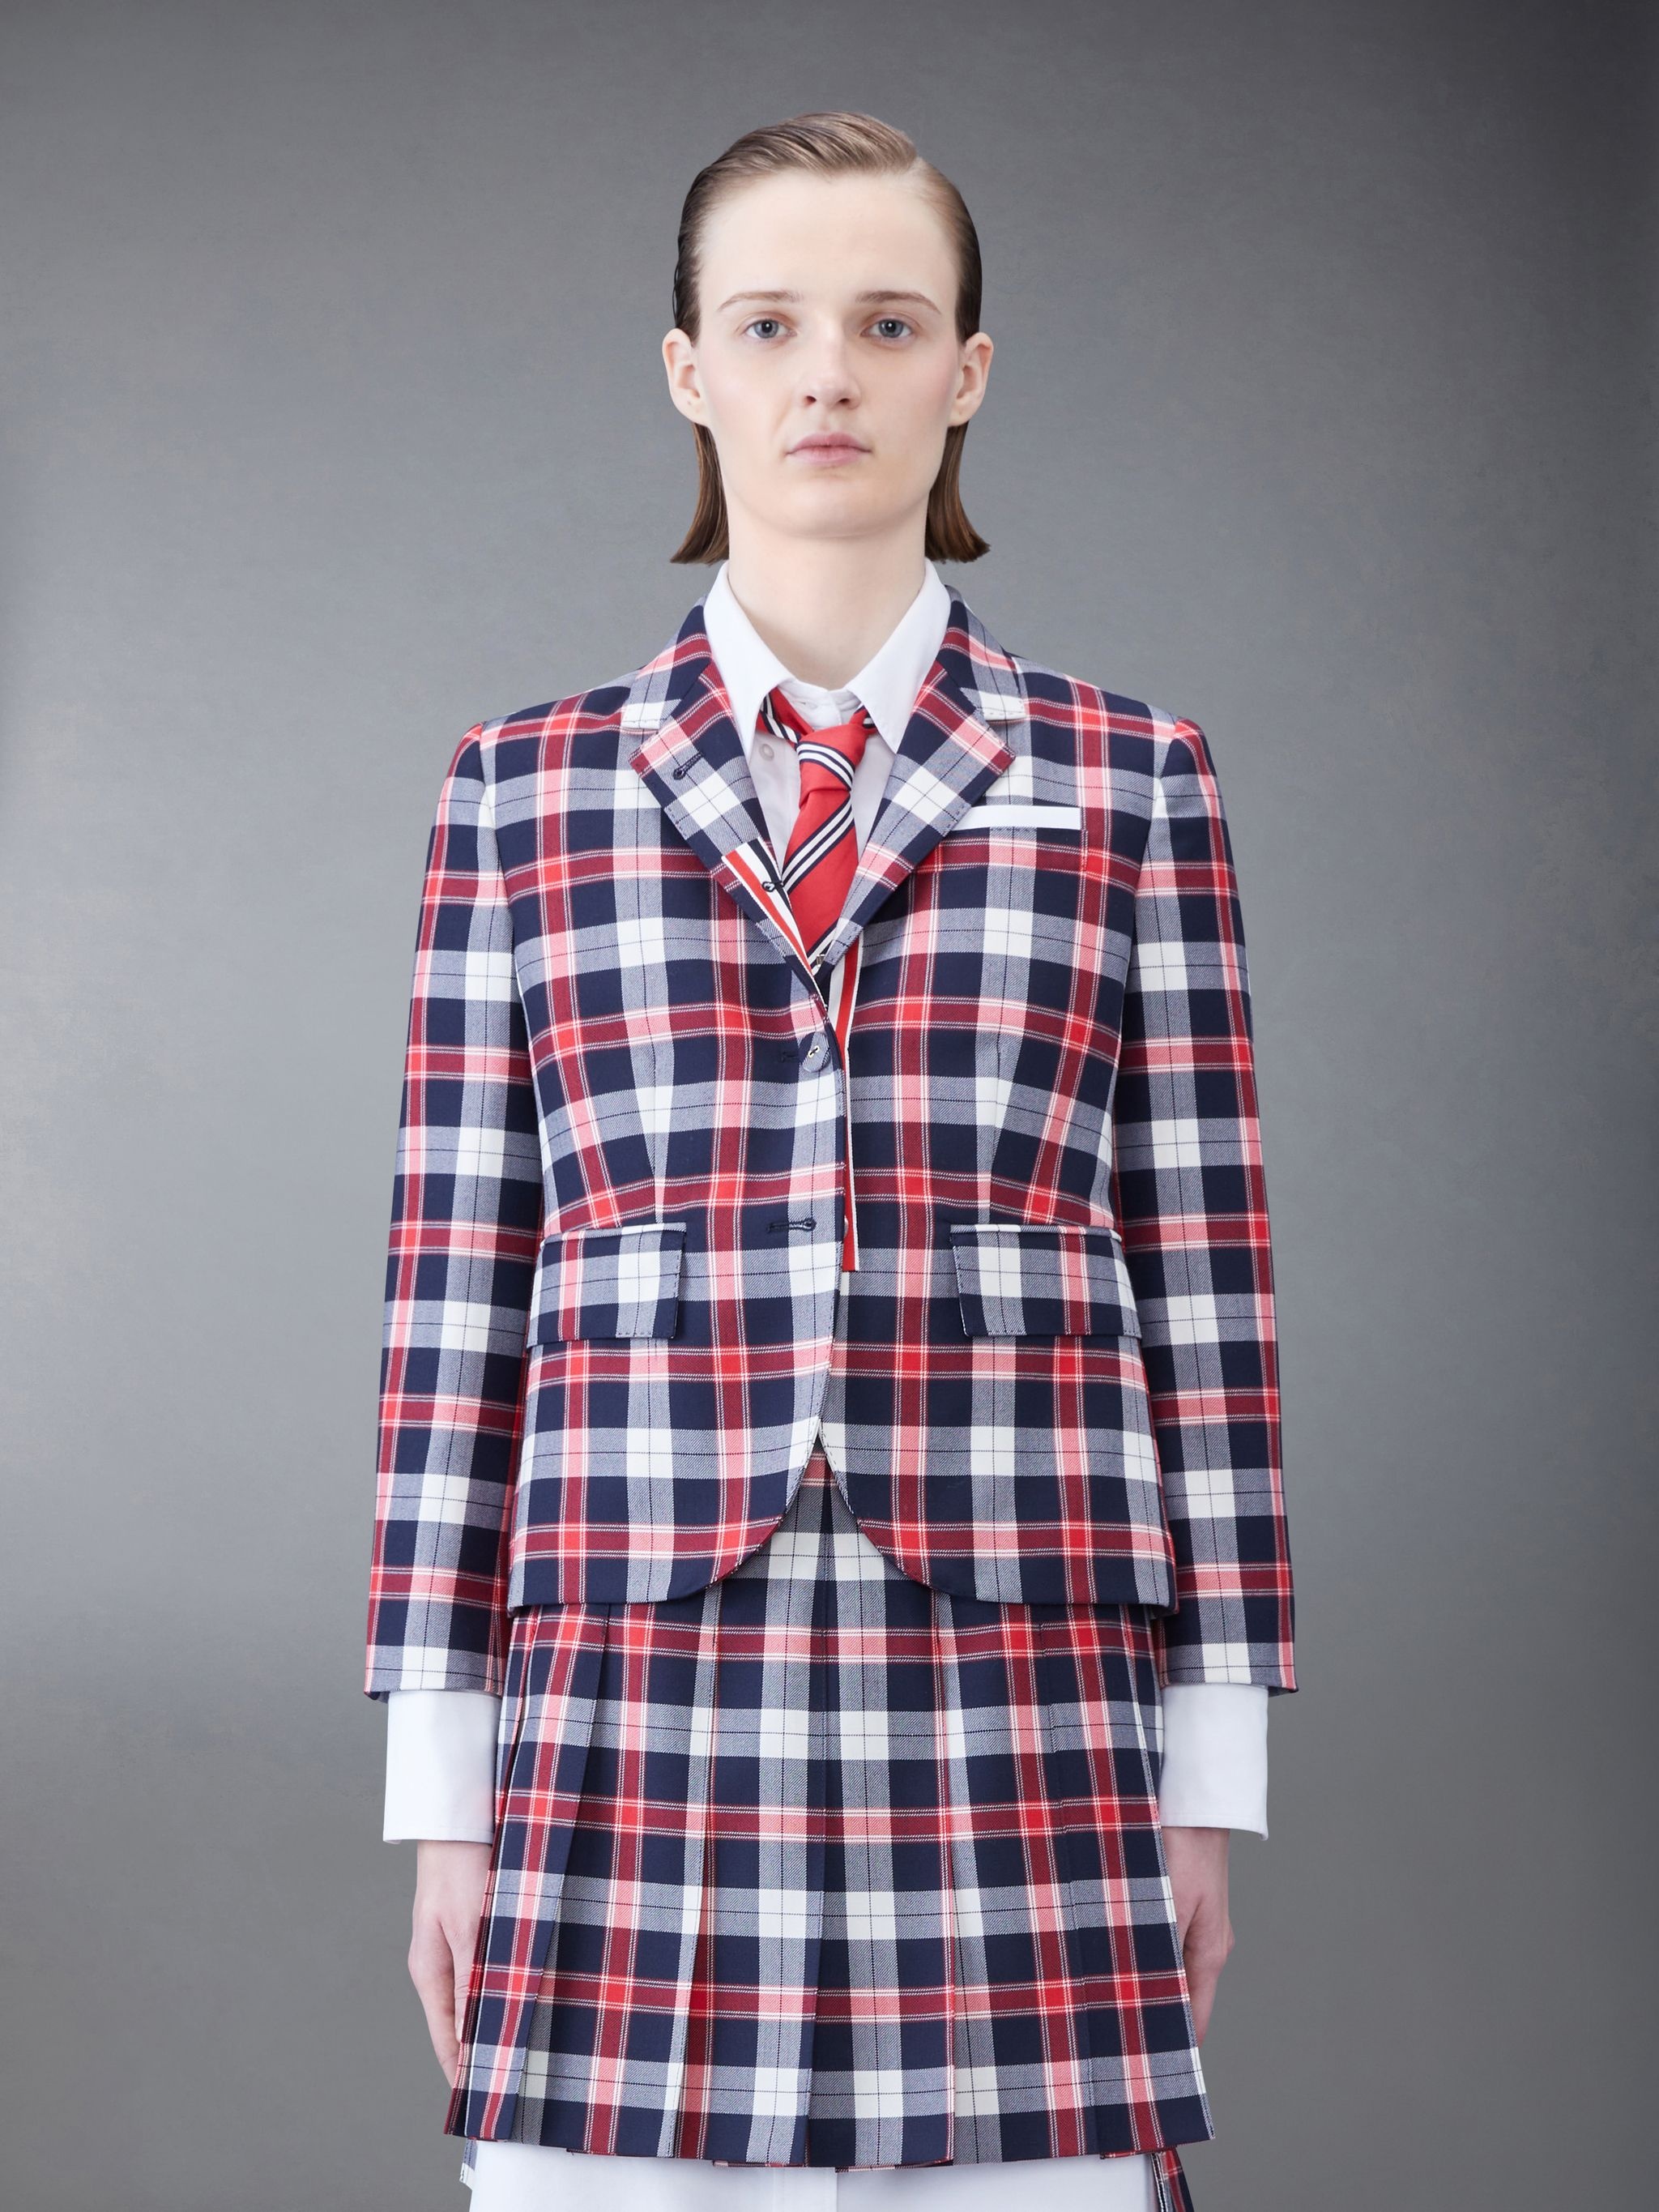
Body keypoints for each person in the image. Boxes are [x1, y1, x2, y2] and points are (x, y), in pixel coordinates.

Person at [364, 110, 1295, 2212]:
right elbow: (454, 1304)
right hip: (624, 1673)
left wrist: (1209, 1770)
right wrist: (443, 1794)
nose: (827, 377)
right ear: (686, 368)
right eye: (770, 323)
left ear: (968, 370)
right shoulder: (520, 790)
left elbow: (1210, 1292)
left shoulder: (1133, 780)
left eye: (888, 324)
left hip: (1023, 1672)